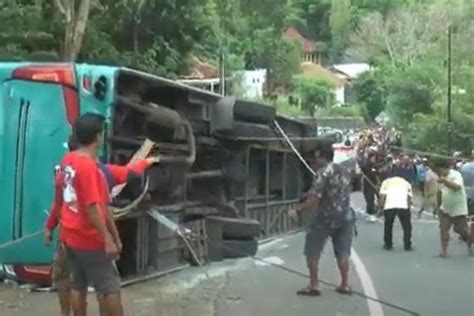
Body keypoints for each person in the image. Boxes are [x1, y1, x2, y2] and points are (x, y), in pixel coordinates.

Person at [44, 134, 159, 316]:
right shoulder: (102, 172)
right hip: (92, 239)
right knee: (106, 286)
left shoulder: (65, 169)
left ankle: (66, 313)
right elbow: (128, 174)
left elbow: (57, 204)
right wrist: (151, 159)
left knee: (72, 283)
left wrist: (49, 227)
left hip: (68, 239)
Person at [288, 141, 355, 296]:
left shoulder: (323, 172)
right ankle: (344, 284)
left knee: (312, 250)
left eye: (317, 157)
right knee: (343, 252)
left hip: (325, 217)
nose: (315, 161)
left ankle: (314, 285)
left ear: (323, 157)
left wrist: (297, 210)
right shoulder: (344, 171)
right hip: (345, 216)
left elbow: (314, 199)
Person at [432, 159, 473, 258]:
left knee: (460, 229)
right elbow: (440, 192)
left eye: (438, 170)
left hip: (457, 207)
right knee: (443, 229)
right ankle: (443, 251)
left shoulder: (455, 175)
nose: (437, 172)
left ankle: (470, 240)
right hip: (445, 207)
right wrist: (437, 206)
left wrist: (445, 181)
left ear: (444, 168)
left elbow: (456, 187)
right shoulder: (440, 177)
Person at [377, 175, 413, 251]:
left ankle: (388, 244)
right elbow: (409, 198)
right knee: (407, 227)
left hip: (390, 205)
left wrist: (380, 208)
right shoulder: (406, 183)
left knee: (388, 225)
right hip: (403, 205)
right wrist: (408, 208)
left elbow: (382, 196)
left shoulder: (386, 182)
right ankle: (407, 245)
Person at [360, 151, 378, 218]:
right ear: (371, 158)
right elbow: (362, 168)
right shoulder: (367, 165)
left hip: (372, 185)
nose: (374, 159)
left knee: (371, 198)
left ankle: (371, 211)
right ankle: (370, 212)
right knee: (370, 199)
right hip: (368, 185)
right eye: (374, 158)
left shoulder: (373, 165)